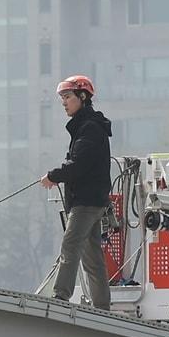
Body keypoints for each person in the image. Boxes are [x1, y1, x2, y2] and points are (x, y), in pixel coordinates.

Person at [41, 75, 113, 309]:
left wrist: (53, 176)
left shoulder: (89, 128)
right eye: (62, 98)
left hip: (86, 201)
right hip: (91, 200)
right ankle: (103, 308)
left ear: (83, 97)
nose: (64, 102)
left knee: (70, 245)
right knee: (92, 258)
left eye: (68, 97)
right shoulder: (86, 126)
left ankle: (61, 296)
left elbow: (78, 164)